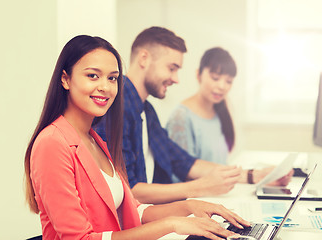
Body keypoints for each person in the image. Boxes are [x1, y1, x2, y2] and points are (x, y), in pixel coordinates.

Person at [24, 35, 250, 240]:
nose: (105, 87)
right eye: (93, 76)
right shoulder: (52, 143)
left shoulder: (96, 140)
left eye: (112, 78)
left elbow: (134, 210)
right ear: (65, 79)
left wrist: (190, 207)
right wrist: (173, 224)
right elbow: (78, 239)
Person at [94, 27, 292, 205]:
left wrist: (254, 176)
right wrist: (201, 187)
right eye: (172, 68)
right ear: (144, 58)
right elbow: (128, 190)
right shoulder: (116, 108)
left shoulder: (147, 111)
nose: (176, 79)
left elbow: (183, 162)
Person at [166, 47, 294, 184]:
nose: (222, 86)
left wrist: (263, 177)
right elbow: (183, 173)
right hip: (195, 199)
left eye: (229, 81)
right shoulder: (181, 117)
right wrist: (253, 177)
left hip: (219, 192)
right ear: (198, 75)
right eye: (215, 78)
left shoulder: (220, 111)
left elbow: (220, 166)